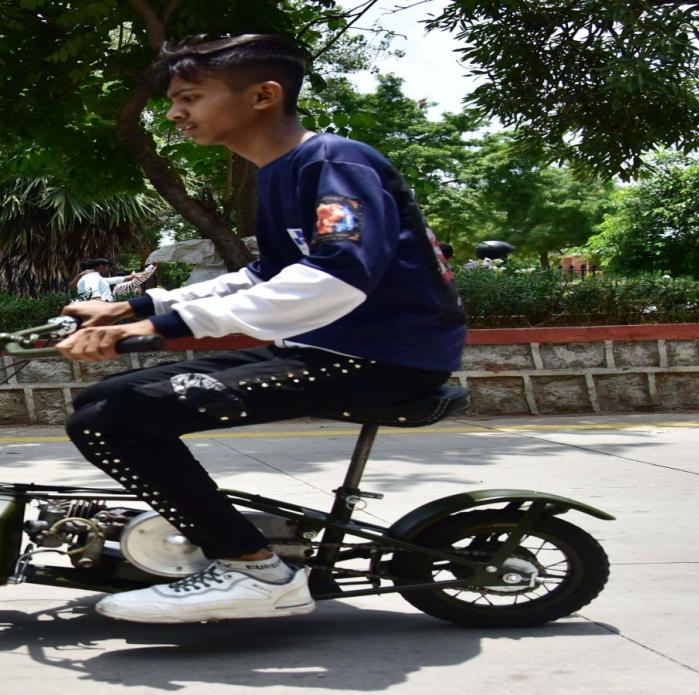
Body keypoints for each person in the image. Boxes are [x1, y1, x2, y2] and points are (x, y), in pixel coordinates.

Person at [55, 34, 466, 624]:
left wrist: (162, 325)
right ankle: (222, 551)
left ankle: (254, 572)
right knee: (98, 403)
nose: (174, 112)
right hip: (325, 350)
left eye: (191, 96)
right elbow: (267, 273)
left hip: (382, 361)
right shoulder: (280, 173)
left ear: (264, 96)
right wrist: (136, 305)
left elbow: (335, 280)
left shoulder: (333, 163)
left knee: (116, 420)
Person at [72, 258, 144, 302]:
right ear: (101, 266)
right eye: (107, 267)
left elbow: (115, 280)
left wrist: (132, 276)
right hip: (98, 307)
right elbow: (93, 293)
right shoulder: (92, 276)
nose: (108, 269)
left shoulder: (97, 277)